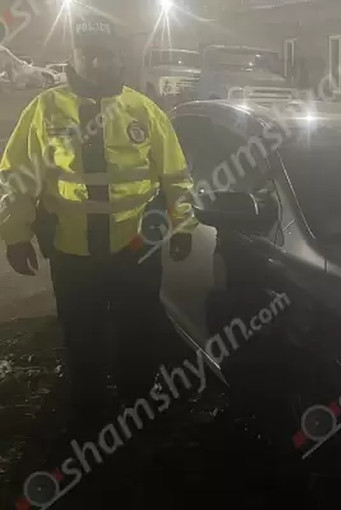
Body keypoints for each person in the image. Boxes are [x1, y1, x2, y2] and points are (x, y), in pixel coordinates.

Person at [0, 13, 197, 436]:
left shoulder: (143, 110)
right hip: (72, 251)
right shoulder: (44, 109)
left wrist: (183, 225)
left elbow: (175, 176)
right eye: (87, 53)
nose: (96, 62)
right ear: (72, 55)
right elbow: (16, 177)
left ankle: (137, 402)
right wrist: (15, 235)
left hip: (135, 249)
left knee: (137, 331)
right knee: (81, 334)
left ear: (119, 57)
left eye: (105, 55)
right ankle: (87, 410)